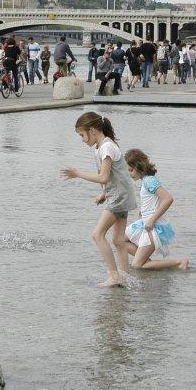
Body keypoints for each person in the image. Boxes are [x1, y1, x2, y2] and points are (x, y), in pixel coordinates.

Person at [61, 111, 138, 287]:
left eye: (82, 135)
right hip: (121, 195)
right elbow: (117, 175)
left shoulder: (106, 147)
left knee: (97, 235)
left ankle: (114, 276)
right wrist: (104, 194)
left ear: (93, 130)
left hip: (119, 198)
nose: (82, 139)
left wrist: (77, 173)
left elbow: (103, 177)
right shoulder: (104, 146)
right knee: (118, 240)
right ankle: (124, 277)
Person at [119, 149, 189, 270]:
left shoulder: (149, 181)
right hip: (144, 223)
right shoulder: (147, 180)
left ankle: (179, 262)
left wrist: (151, 219)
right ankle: (145, 261)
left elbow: (168, 199)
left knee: (137, 265)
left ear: (138, 167)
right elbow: (154, 199)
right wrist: (144, 211)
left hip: (153, 227)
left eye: (131, 170)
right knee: (119, 240)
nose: (129, 174)